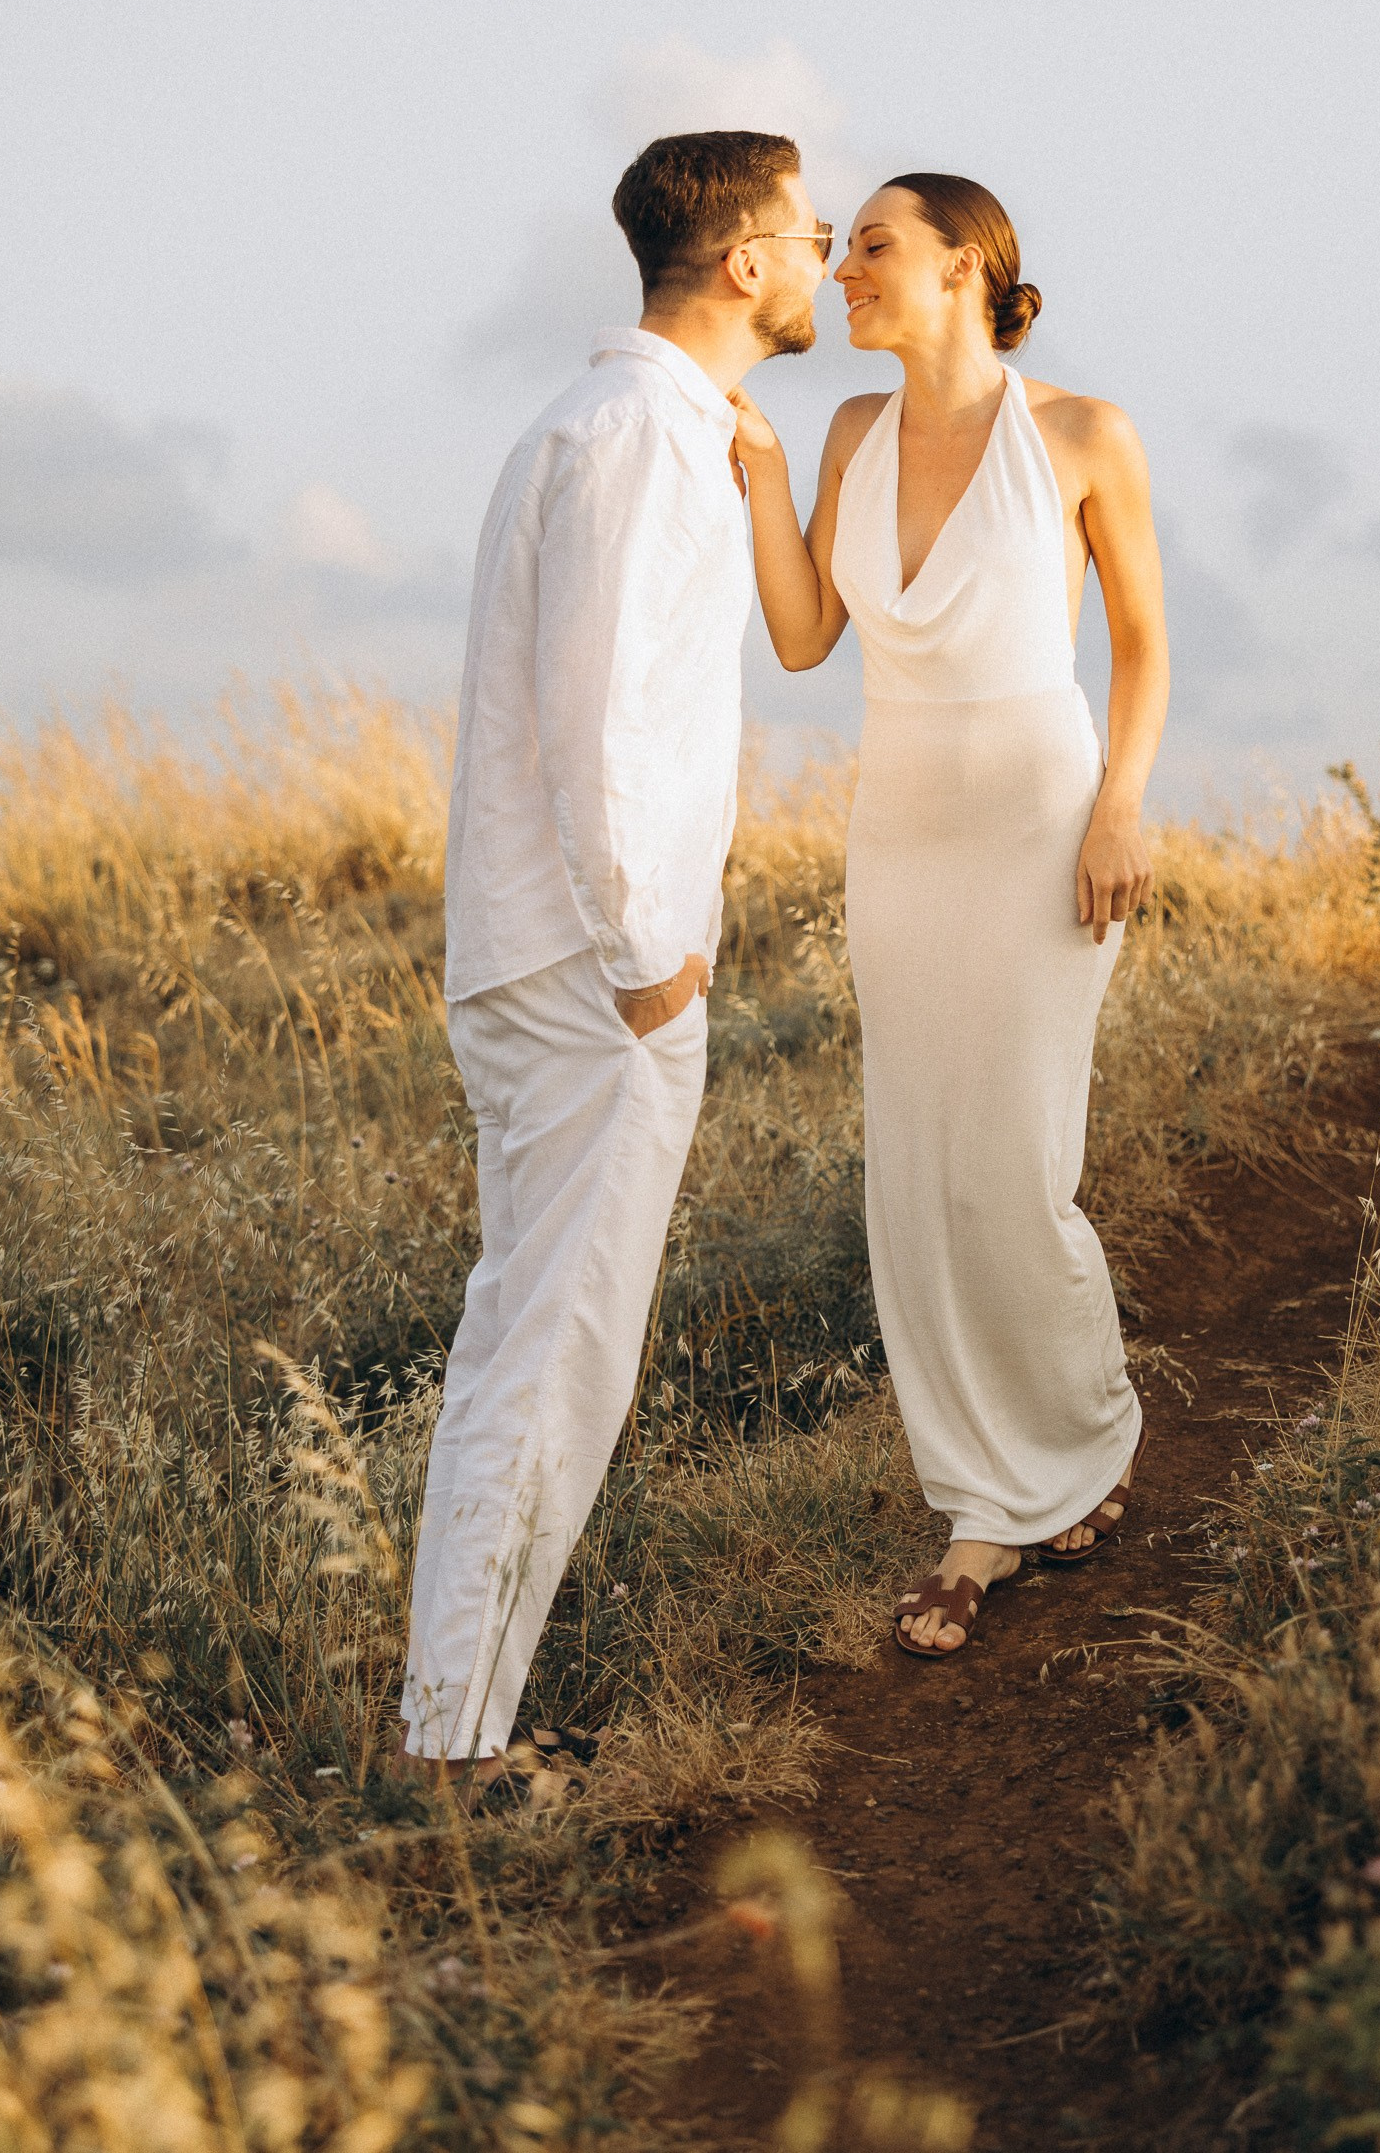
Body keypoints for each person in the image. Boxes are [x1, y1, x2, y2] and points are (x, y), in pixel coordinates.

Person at [400, 131, 831, 1776]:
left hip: (540, 957)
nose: (814, 260)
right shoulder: (644, 437)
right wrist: (651, 952)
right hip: (596, 974)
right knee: (558, 1359)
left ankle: (450, 1721)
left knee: (524, 1343)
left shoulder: (604, 424)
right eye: (802, 236)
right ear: (740, 264)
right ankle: (449, 1755)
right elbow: (600, 723)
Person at [732, 175, 1169, 1658]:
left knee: (1015, 1170)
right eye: (841, 246)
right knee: (917, 1173)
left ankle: (1081, 1437)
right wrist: (749, 469)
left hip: (1043, 828)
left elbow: (1145, 646)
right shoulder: (848, 433)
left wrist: (1118, 808)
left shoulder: (1084, 438)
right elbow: (801, 641)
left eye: (872, 246)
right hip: (900, 841)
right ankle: (989, 1503)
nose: (842, 268)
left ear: (965, 267)